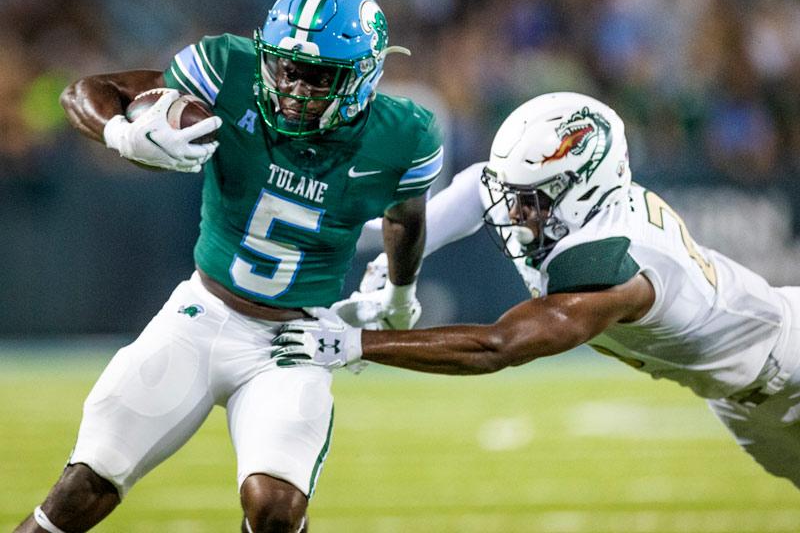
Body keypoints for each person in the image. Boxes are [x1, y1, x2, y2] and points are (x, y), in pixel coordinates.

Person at [16, 0, 443, 533]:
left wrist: (399, 290)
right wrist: (121, 133)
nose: (291, 87)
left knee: (276, 509)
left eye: (316, 76)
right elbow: (84, 92)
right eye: (284, 66)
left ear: (364, 77)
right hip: (199, 316)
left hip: (290, 342)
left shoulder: (404, 136)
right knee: (82, 487)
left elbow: (406, 217)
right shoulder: (226, 67)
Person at [271, 91, 800, 490]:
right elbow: (457, 201)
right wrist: (386, 274)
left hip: (790, 362)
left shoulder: (611, 261)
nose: (516, 212)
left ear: (587, 187)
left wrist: (355, 344)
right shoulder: (549, 198)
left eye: (534, 199)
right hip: (740, 400)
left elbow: (499, 346)